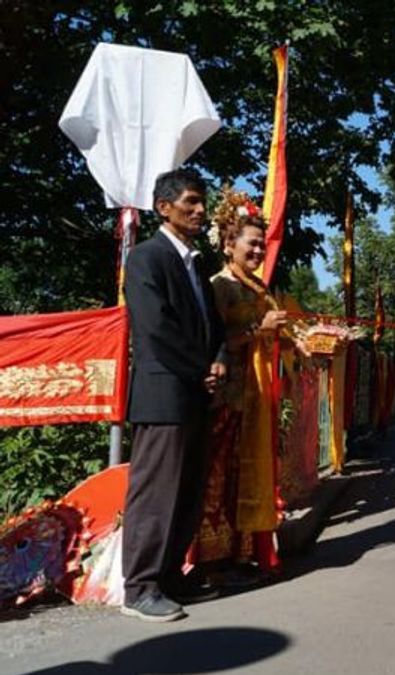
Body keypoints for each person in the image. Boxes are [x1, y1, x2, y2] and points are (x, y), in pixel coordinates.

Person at [121, 168, 226, 622]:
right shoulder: (147, 258)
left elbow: (213, 326)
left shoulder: (197, 265)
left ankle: (169, 576)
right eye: (190, 202)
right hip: (164, 393)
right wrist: (201, 368)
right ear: (164, 207)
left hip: (197, 392)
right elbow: (155, 328)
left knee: (187, 490)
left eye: (202, 202)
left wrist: (220, 358)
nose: (200, 210)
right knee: (156, 491)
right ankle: (139, 587)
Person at [192, 188, 293, 583]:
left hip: (254, 399)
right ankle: (210, 560)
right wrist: (257, 329)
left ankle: (239, 554)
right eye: (252, 245)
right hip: (227, 398)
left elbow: (267, 337)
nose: (258, 252)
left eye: (260, 245)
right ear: (229, 243)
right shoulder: (220, 285)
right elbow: (214, 342)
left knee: (241, 479)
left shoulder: (256, 288)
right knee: (218, 481)